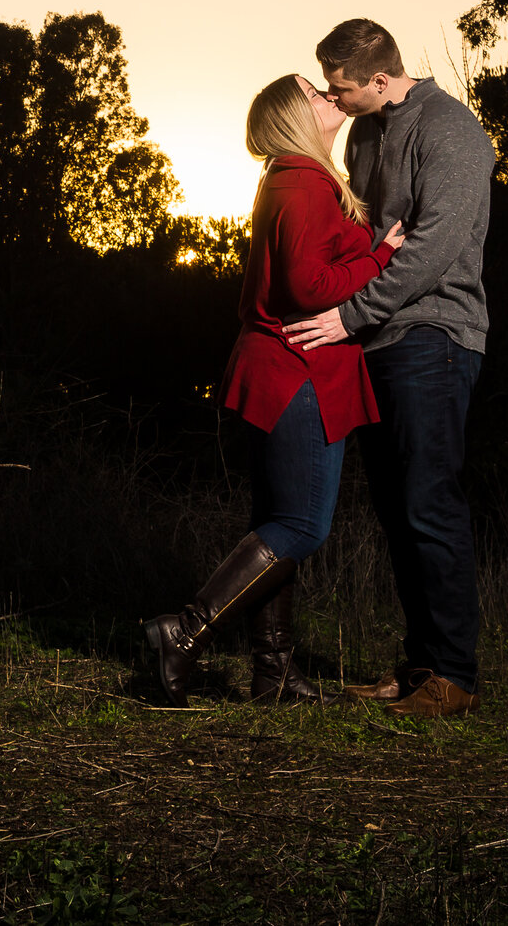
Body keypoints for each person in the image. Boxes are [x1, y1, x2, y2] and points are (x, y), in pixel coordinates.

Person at [146, 74, 403, 703]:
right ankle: (183, 632)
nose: (329, 97)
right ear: (296, 116)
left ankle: (274, 672)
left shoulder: (289, 178)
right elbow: (308, 286)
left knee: (276, 523)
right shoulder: (304, 180)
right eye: (316, 93)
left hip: (279, 368)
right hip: (298, 371)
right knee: (302, 526)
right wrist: (380, 256)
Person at [283, 18, 495, 718]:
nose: (334, 102)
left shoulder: (452, 130)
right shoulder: (371, 131)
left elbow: (432, 247)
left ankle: (454, 674)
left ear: (378, 78)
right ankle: (419, 667)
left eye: (341, 90)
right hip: (378, 339)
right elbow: (365, 234)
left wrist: (347, 315)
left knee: (430, 499)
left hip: (434, 333)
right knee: (398, 509)